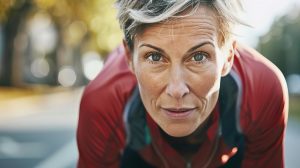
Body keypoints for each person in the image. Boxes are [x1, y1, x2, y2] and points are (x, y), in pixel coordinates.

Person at [76, 0, 289, 167]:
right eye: (154, 57)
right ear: (129, 57)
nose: (177, 90)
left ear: (228, 57)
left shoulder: (263, 89)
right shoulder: (103, 101)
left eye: (198, 57)